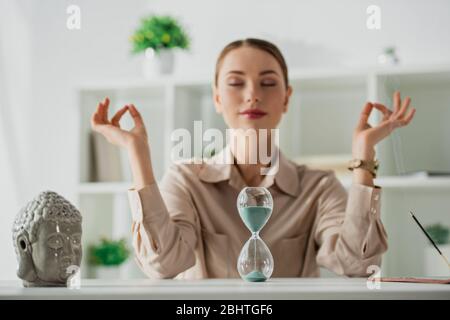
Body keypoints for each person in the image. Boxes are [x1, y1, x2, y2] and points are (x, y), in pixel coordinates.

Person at [91, 38, 416, 279]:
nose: (252, 94)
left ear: (287, 98)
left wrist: (364, 157)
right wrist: (138, 155)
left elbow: (357, 265)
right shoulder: (187, 180)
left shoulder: (318, 187)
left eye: (268, 82)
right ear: (217, 98)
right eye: (235, 83)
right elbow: (163, 264)